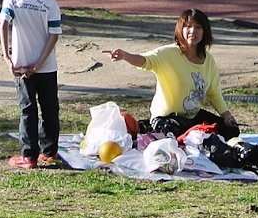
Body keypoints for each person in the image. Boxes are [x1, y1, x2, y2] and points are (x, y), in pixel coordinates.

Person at [102, 8, 239, 139]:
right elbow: (145, 61)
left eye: (198, 27)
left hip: (192, 118)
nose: (193, 31)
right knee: (176, 136)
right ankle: (146, 129)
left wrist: (226, 114)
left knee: (231, 131)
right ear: (180, 30)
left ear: (205, 32)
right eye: (188, 26)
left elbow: (213, 93)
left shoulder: (208, 61)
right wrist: (125, 56)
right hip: (166, 119)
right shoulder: (168, 54)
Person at [0, 0, 62, 170]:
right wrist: (40, 63)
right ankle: (49, 151)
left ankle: (29, 156)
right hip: (45, 67)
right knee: (50, 109)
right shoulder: (51, 4)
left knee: (28, 108)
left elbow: (3, 24)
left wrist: (7, 57)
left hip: (21, 66)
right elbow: (54, 35)